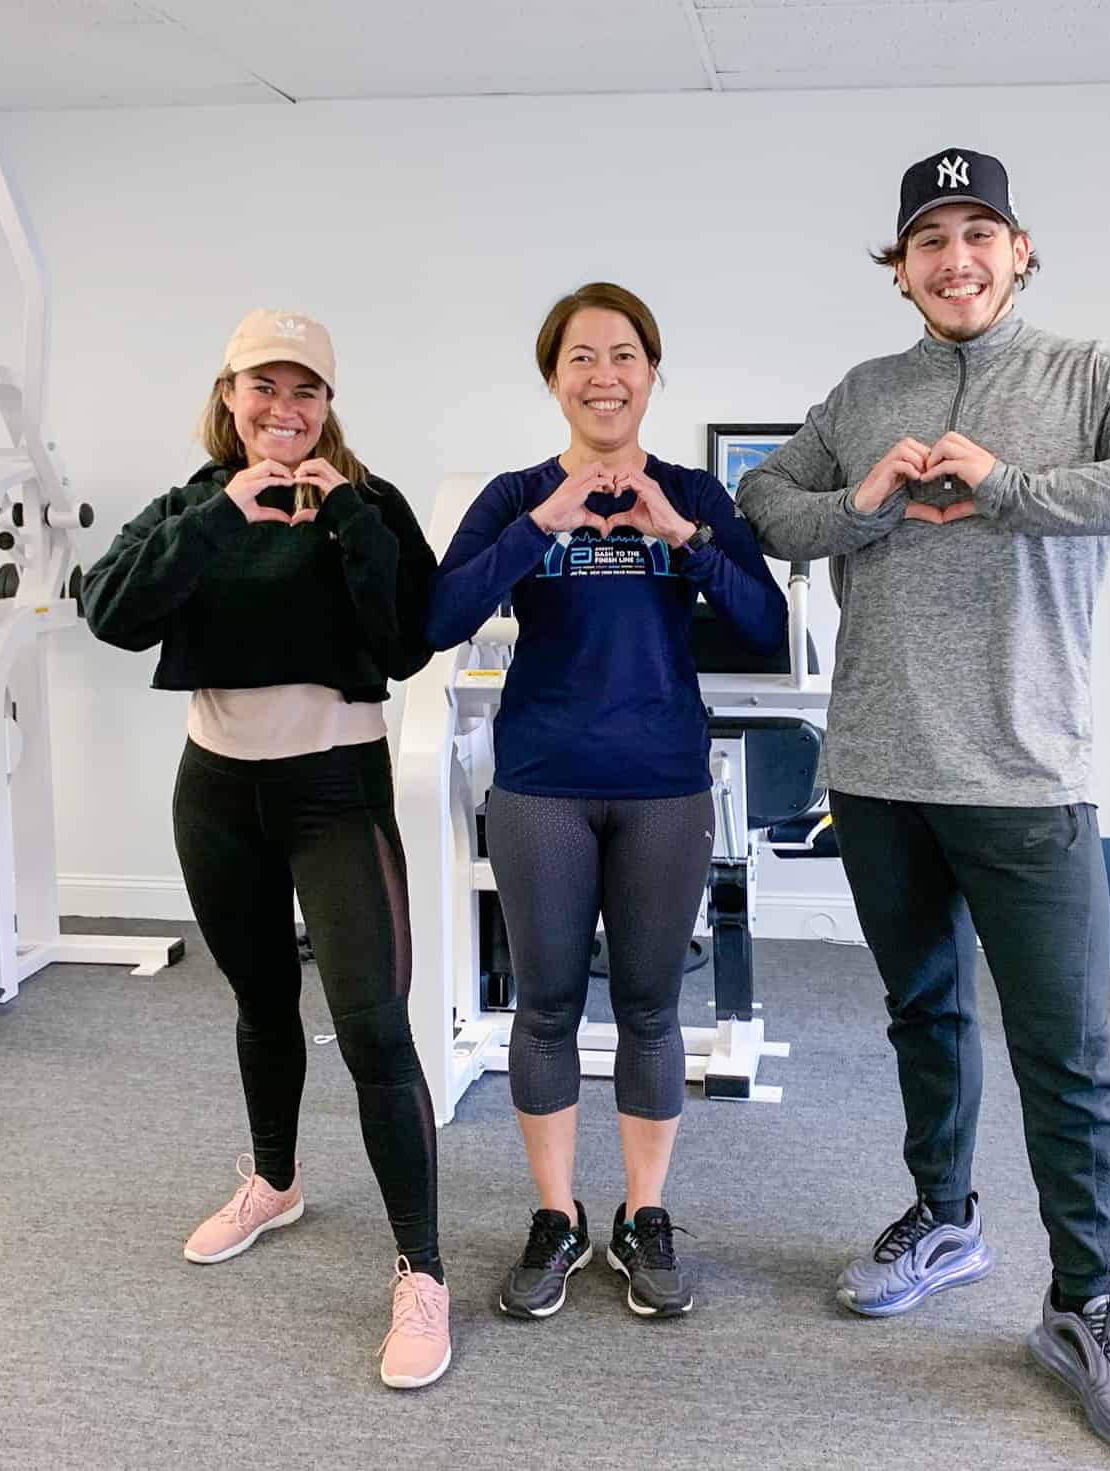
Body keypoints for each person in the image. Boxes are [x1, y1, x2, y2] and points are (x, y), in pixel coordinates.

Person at [736, 149, 1110, 1457]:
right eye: (927, 239)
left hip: (1027, 776)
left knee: (1064, 1053)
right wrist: (855, 506)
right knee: (924, 1012)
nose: (953, 256)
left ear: (1021, 251)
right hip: (879, 770)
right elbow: (763, 506)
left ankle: (1086, 1303)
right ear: (898, 267)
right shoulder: (863, 394)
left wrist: (1014, 490)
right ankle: (943, 1215)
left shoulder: (1086, 376)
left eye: (978, 232)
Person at [82, 309, 450, 1389]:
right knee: (256, 1002)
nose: (283, 410)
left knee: (374, 1026)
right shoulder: (191, 504)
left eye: (306, 392)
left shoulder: (368, 503)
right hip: (215, 791)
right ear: (229, 395)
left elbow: (406, 640)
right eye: (263, 389)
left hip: (334, 792)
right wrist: (217, 519)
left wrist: (347, 522)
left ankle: (420, 1270)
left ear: (330, 407)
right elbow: (111, 613)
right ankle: (275, 1182)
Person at [426, 282, 786, 1321]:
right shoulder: (514, 494)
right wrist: (544, 520)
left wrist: (680, 531)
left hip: (662, 783)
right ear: (553, 378)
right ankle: (556, 1216)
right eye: (579, 357)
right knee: (542, 1005)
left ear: (651, 374)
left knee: (648, 1007)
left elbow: (762, 624)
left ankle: (643, 1212)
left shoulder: (689, 495)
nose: (603, 375)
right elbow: (443, 615)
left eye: (623, 355)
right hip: (541, 782)